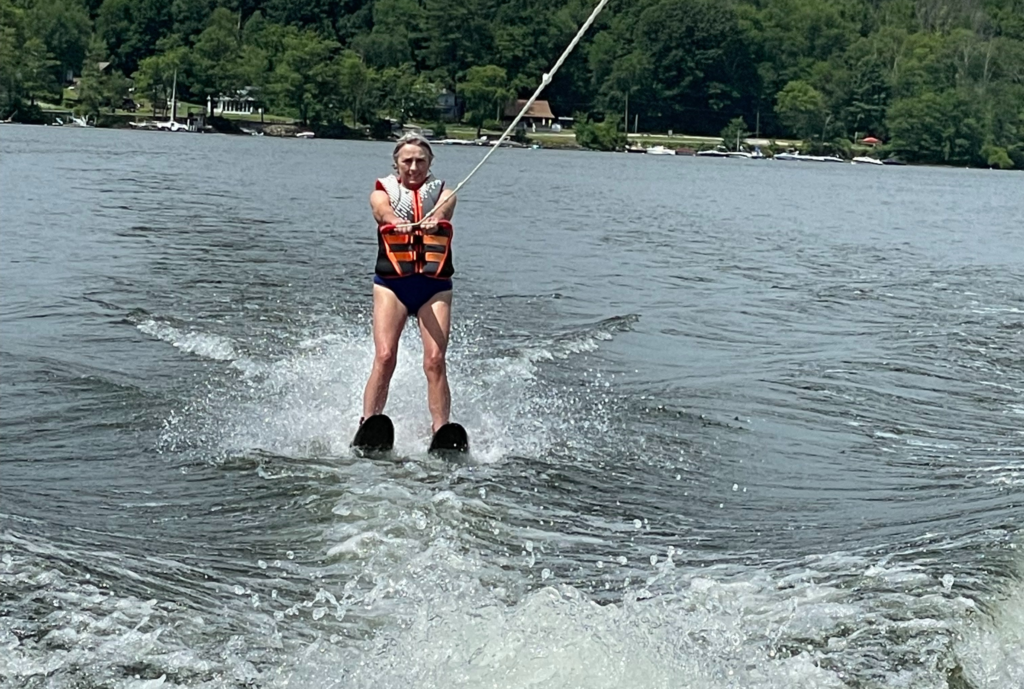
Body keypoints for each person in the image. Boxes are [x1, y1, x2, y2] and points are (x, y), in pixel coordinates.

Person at [361, 134, 458, 433]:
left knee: (434, 360)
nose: (414, 167)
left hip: (434, 287)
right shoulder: (382, 192)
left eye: (420, 161)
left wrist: (436, 217)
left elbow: (446, 207)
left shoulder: (444, 192)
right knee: (386, 356)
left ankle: (441, 429)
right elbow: (381, 210)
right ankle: (368, 423)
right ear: (397, 164)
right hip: (393, 286)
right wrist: (393, 219)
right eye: (407, 161)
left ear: (429, 163)